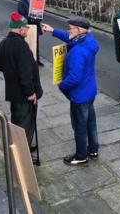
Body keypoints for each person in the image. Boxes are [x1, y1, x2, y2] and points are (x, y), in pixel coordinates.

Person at [41, 17, 99, 166]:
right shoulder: (89, 40)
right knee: (91, 122)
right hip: (89, 91)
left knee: (79, 126)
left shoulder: (77, 52)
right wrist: (53, 30)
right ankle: (93, 150)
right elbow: (70, 38)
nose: (68, 30)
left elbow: (75, 77)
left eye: (70, 28)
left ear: (79, 30)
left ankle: (81, 156)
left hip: (79, 96)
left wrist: (62, 85)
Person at [0, 12, 43, 150]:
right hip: (24, 95)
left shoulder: (3, 44)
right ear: (20, 29)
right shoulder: (21, 46)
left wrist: (10, 73)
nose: (28, 30)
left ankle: (17, 147)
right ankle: (23, 151)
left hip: (13, 92)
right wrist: (30, 93)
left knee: (16, 121)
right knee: (25, 124)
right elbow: (25, 73)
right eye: (26, 28)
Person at [17, 0, 44, 66]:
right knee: (28, 43)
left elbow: (39, 11)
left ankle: (37, 60)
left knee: (36, 43)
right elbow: (22, 15)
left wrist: (38, 18)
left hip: (35, 24)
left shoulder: (34, 0)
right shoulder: (21, 2)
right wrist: (31, 19)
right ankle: (28, 61)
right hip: (27, 25)